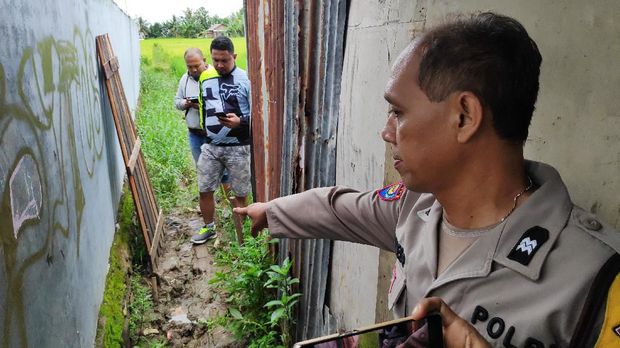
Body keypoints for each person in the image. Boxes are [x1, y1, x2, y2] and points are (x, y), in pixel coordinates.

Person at [235, 12, 620, 347]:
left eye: (398, 112)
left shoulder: (597, 277)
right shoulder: (414, 207)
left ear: (464, 117)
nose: (387, 132)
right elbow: (338, 209)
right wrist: (269, 212)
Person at [192, 36, 252, 244]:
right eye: (216, 60)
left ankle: (243, 237)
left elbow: (260, 116)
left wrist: (241, 122)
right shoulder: (206, 78)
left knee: (241, 193)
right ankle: (209, 228)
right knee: (204, 188)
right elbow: (203, 107)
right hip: (211, 146)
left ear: (234, 56)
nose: (219, 65)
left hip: (239, 148)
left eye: (225, 60)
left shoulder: (246, 80)